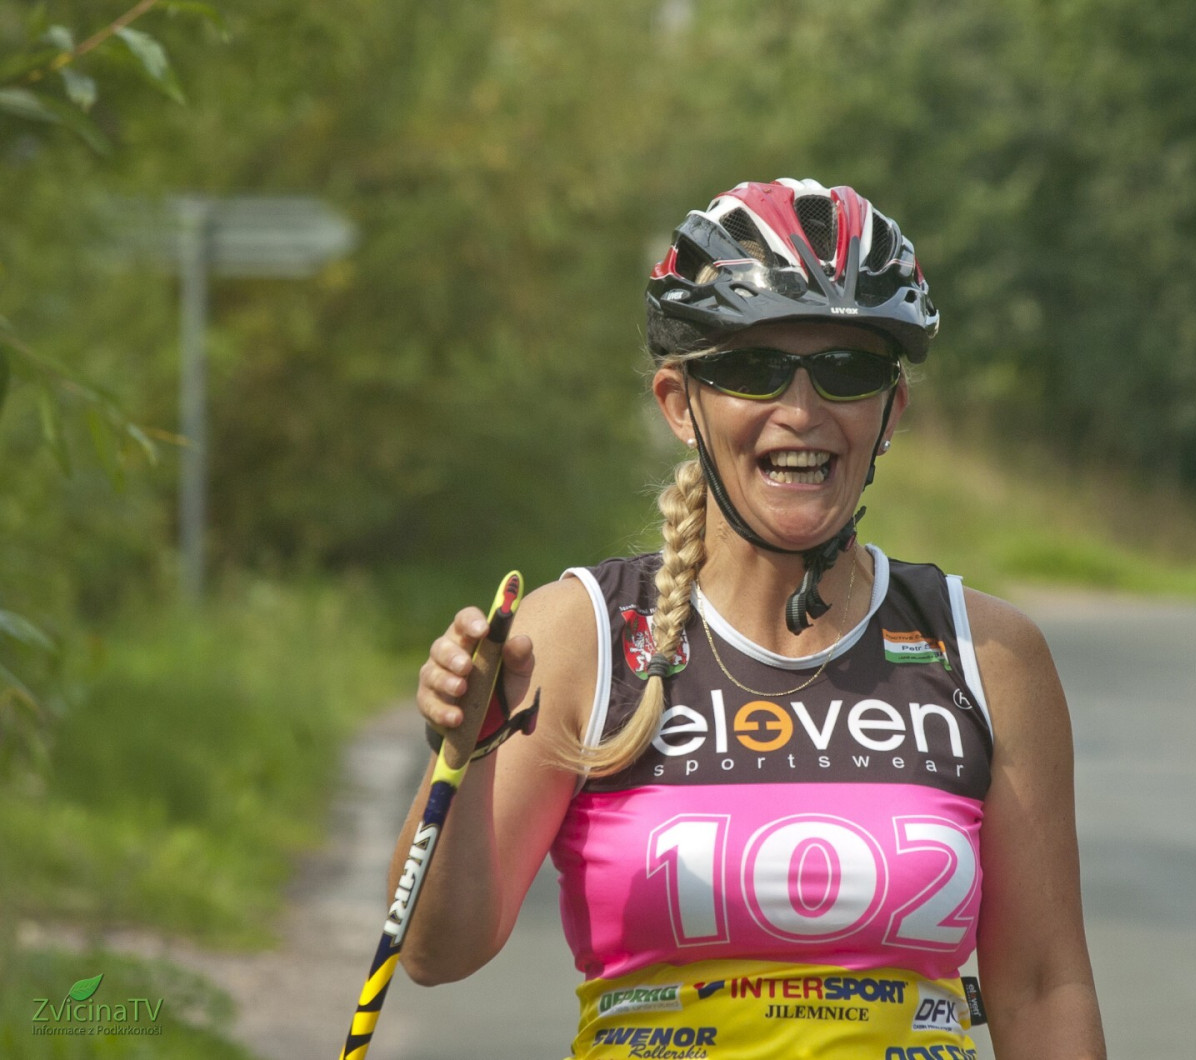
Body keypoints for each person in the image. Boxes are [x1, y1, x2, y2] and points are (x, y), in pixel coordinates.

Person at [395, 178, 1106, 1059]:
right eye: (752, 369)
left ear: (891, 412)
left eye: (847, 371)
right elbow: (434, 953)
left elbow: (1041, 986)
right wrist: (461, 755)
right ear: (679, 404)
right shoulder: (581, 637)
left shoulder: (987, 655)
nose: (801, 413)